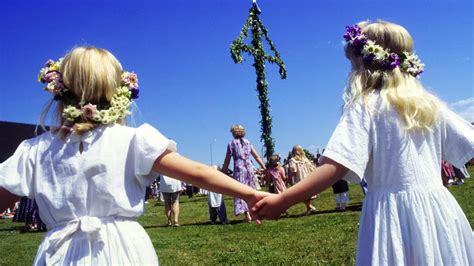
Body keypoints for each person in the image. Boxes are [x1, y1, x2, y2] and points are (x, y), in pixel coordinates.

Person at [0, 47, 268, 265]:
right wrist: (250, 194)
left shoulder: (36, 150)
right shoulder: (134, 140)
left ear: (60, 89)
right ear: (117, 91)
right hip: (123, 250)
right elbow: (199, 172)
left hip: (59, 253)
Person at [253, 21, 474, 265]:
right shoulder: (429, 105)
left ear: (364, 65)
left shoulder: (367, 106)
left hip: (393, 216)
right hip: (439, 212)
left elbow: (333, 166)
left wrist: (282, 200)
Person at [221, 124, 266, 222]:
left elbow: (227, 160)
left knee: (241, 190)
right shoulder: (248, 142)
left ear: (234, 133)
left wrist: (223, 172)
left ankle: (247, 215)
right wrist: (263, 166)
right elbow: (256, 156)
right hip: (249, 168)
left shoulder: (231, 144)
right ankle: (253, 211)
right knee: (251, 189)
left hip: (239, 169)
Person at [288, 145, 317, 215]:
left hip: (299, 178)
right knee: (306, 194)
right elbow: (312, 168)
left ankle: (310, 207)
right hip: (307, 177)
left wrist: (290, 178)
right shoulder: (305, 159)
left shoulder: (292, 160)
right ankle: (309, 209)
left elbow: (293, 170)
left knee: (300, 194)